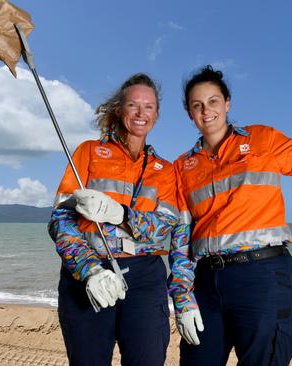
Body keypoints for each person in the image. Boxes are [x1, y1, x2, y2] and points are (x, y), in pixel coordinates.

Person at [168, 57, 292, 366]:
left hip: (263, 278)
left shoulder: (262, 140)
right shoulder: (181, 167)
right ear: (190, 113)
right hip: (206, 284)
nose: (206, 110)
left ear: (227, 103)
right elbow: (180, 239)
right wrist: (182, 296)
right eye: (197, 105)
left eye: (213, 101)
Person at [48, 73, 179, 366]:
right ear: (120, 110)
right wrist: (89, 269)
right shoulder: (88, 152)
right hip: (88, 273)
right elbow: (60, 220)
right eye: (133, 105)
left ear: (157, 114)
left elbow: (164, 226)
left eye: (149, 106)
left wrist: (119, 213)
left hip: (145, 278)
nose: (140, 113)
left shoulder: (166, 170)